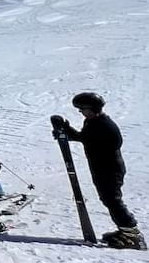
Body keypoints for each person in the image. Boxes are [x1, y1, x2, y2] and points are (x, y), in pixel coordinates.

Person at [52, 93, 145, 250]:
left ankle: (132, 234)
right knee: (108, 199)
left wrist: (69, 134)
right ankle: (125, 231)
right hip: (101, 168)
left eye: (82, 109)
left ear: (91, 109)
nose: (81, 112)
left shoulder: (104, 126)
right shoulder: (93, 121)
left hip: (109, 170)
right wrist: (66, 131)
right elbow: (85, 138)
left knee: (112, 200)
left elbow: (96, 140)